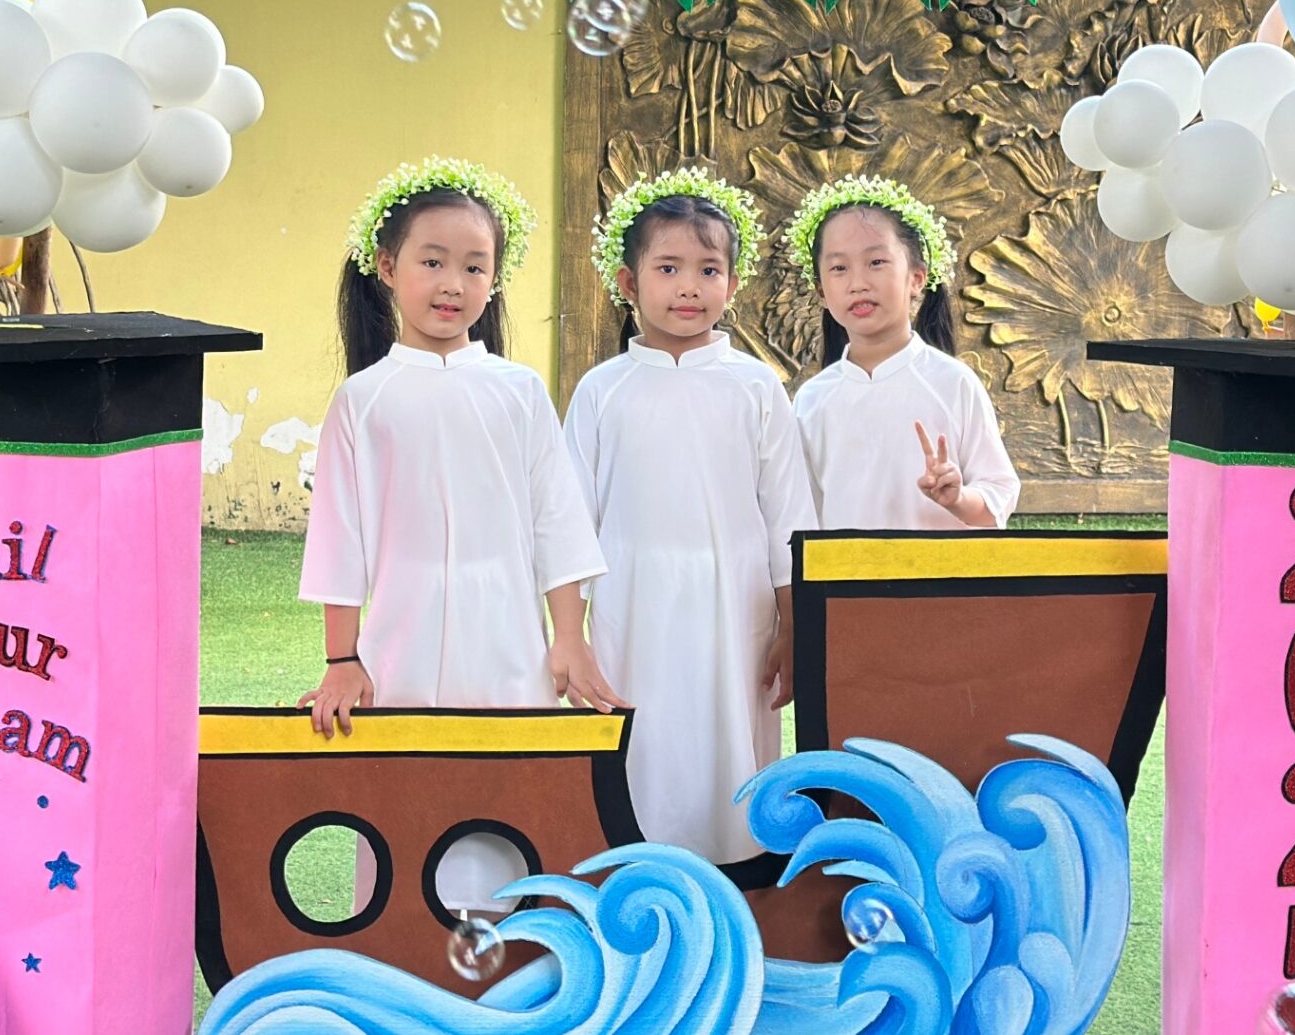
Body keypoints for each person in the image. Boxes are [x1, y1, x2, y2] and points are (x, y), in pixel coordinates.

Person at [296, 157, 620, 909]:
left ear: (494, 281)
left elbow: (557, 522)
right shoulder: (362, 400)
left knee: (509, 803)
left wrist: (568, 638)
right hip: (400, 645)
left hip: (508, 641)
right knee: (406, 807)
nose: (453, 283)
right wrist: (343, 659)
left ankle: (518, 952)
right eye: (433, 261)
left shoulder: (519, 391)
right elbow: (340, 539)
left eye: (474, 266)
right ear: (387, 267)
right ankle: (401, 953)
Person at [564, 168, 815, 864]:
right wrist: (570, 636)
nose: (689, 287)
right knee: (640, 755)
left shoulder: (756, 387)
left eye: (708, 270)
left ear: (732, 284)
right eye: (668, 267)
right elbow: (569, 523)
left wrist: (792, 627)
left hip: (737, 612)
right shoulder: (601, 391)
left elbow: (787, 520)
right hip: (632, 608)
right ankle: (637, 875)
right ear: (628, 281)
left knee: (731, 754)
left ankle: (740, 882)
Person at [787, 176, 1021, 531]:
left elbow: (998, 494)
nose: (858, 283)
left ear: (917, 278)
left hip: (937, 569)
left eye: (876, 262)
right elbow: (800, 515)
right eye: (839, 268)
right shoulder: (812, 400)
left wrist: (957, 498)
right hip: (845, 569)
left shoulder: (953, 383)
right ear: (821, 291)